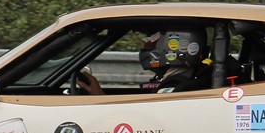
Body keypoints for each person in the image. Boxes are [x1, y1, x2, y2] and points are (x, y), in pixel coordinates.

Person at [76, 29, 211, 95]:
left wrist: (100, 96)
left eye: (153, 42)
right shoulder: (180, 82)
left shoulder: (173, 90)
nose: (146, 47)